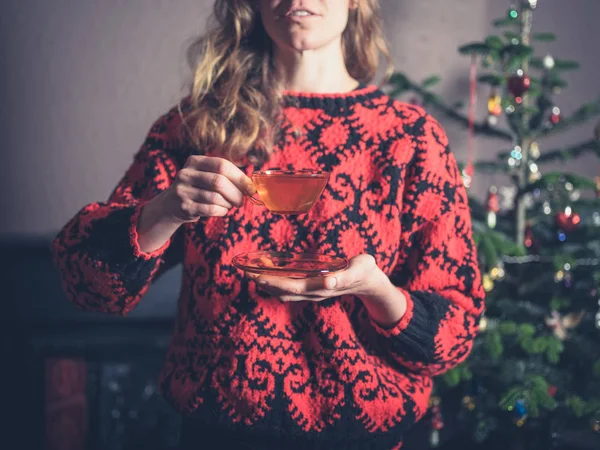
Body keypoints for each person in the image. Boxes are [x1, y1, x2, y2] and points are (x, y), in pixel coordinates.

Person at [52, 0, 485, 448]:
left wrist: (376, 289)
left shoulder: (411, 139)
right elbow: (87, 284)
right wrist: (162, 211)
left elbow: (452, 334)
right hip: (214, 436)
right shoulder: (197, 127)